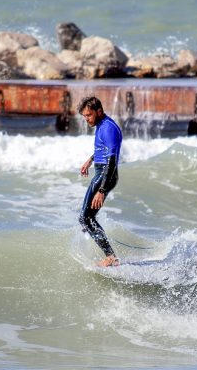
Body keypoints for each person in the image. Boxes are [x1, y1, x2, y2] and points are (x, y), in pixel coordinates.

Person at [78, 96, 123, 267]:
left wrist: (102, 190)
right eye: (84, 116)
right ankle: (107, 253)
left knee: (86, 218)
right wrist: (90, 160)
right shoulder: (102, 125)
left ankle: (111, 257)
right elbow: (102, 148)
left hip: (105, 174)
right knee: (86, 218)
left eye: (89, 115)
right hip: (101, 171)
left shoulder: (108, 128)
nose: (86, 119)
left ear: (99, 111)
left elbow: (112, 160)